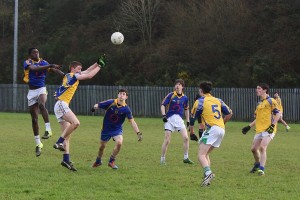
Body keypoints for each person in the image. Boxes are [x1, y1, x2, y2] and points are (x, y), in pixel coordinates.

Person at [52, 55, 106, 171]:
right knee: (76, 123)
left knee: (67, 135)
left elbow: (87, 71)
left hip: (59, 105)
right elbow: (89, 75)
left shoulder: (69, 76)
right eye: (78, 69)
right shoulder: (74, 75)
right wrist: (100, 66)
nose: (80, 71)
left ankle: (66, 160)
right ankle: (58, 142)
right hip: (62, 104)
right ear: (72, 68)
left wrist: (96, 63)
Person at [190, 81, 232, 187]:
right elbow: (229, 113)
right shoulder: (218, 100)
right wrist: (222, 123)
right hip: (221, 129)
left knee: (200, 154)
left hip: (213, 129)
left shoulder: (200, 101)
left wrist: (191, 132)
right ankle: (207, 178)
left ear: (201, 90)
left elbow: (192, 118)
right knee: (205, 153)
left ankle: (208, 174)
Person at [23, 47, 64, 157]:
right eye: (33, 52)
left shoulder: (44, 62)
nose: (36, 53)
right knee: (34, 119)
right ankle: (38, 144)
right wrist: (50, 66)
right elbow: (34, 69)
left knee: (42, 104)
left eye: (37, 52)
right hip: (31, 92)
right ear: (29, 55)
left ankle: (48, 129)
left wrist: (65, 75)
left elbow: (54, 70)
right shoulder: (27, 62)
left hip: (41, 89)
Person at [91, 88, 143, 170]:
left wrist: (138, 133)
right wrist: (95, 107)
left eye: (123, 94)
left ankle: (111, 161)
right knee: (102, 147)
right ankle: (98, 161)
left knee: (119, 142)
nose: (121, 95)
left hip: (117, 129)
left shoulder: (126, 109)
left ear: (126, 97)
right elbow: (99, 104)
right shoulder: (111, 102)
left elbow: (132, 122)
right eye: (120, 93)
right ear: (118, 95)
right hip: (106, 129)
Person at [242, 83, 281, 176]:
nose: (257, 90)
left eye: (259, 88)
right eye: (257, 88)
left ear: (265, 90)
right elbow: (257, 118)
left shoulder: (271, 101)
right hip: (259, 129)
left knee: (262, 147)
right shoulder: (259, 103)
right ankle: (257, 164)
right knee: (253, 149)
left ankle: (261, 169)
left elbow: (278, 114)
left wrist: (272, 126)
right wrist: (248, 127)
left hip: (269, 129)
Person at [160, 79, 193, 165]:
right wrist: (163, 115)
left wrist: (188, 121)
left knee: (186, 138)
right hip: (169, 120)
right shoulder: (171, 95)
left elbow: (186, 109)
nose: (177, 86)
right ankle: (162, 159)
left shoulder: (185, 98)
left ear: (182, 87)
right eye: (176, 84)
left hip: (179, 120)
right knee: (167, 140)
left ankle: (186, 158)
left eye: (179, 84)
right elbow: (163, 105)